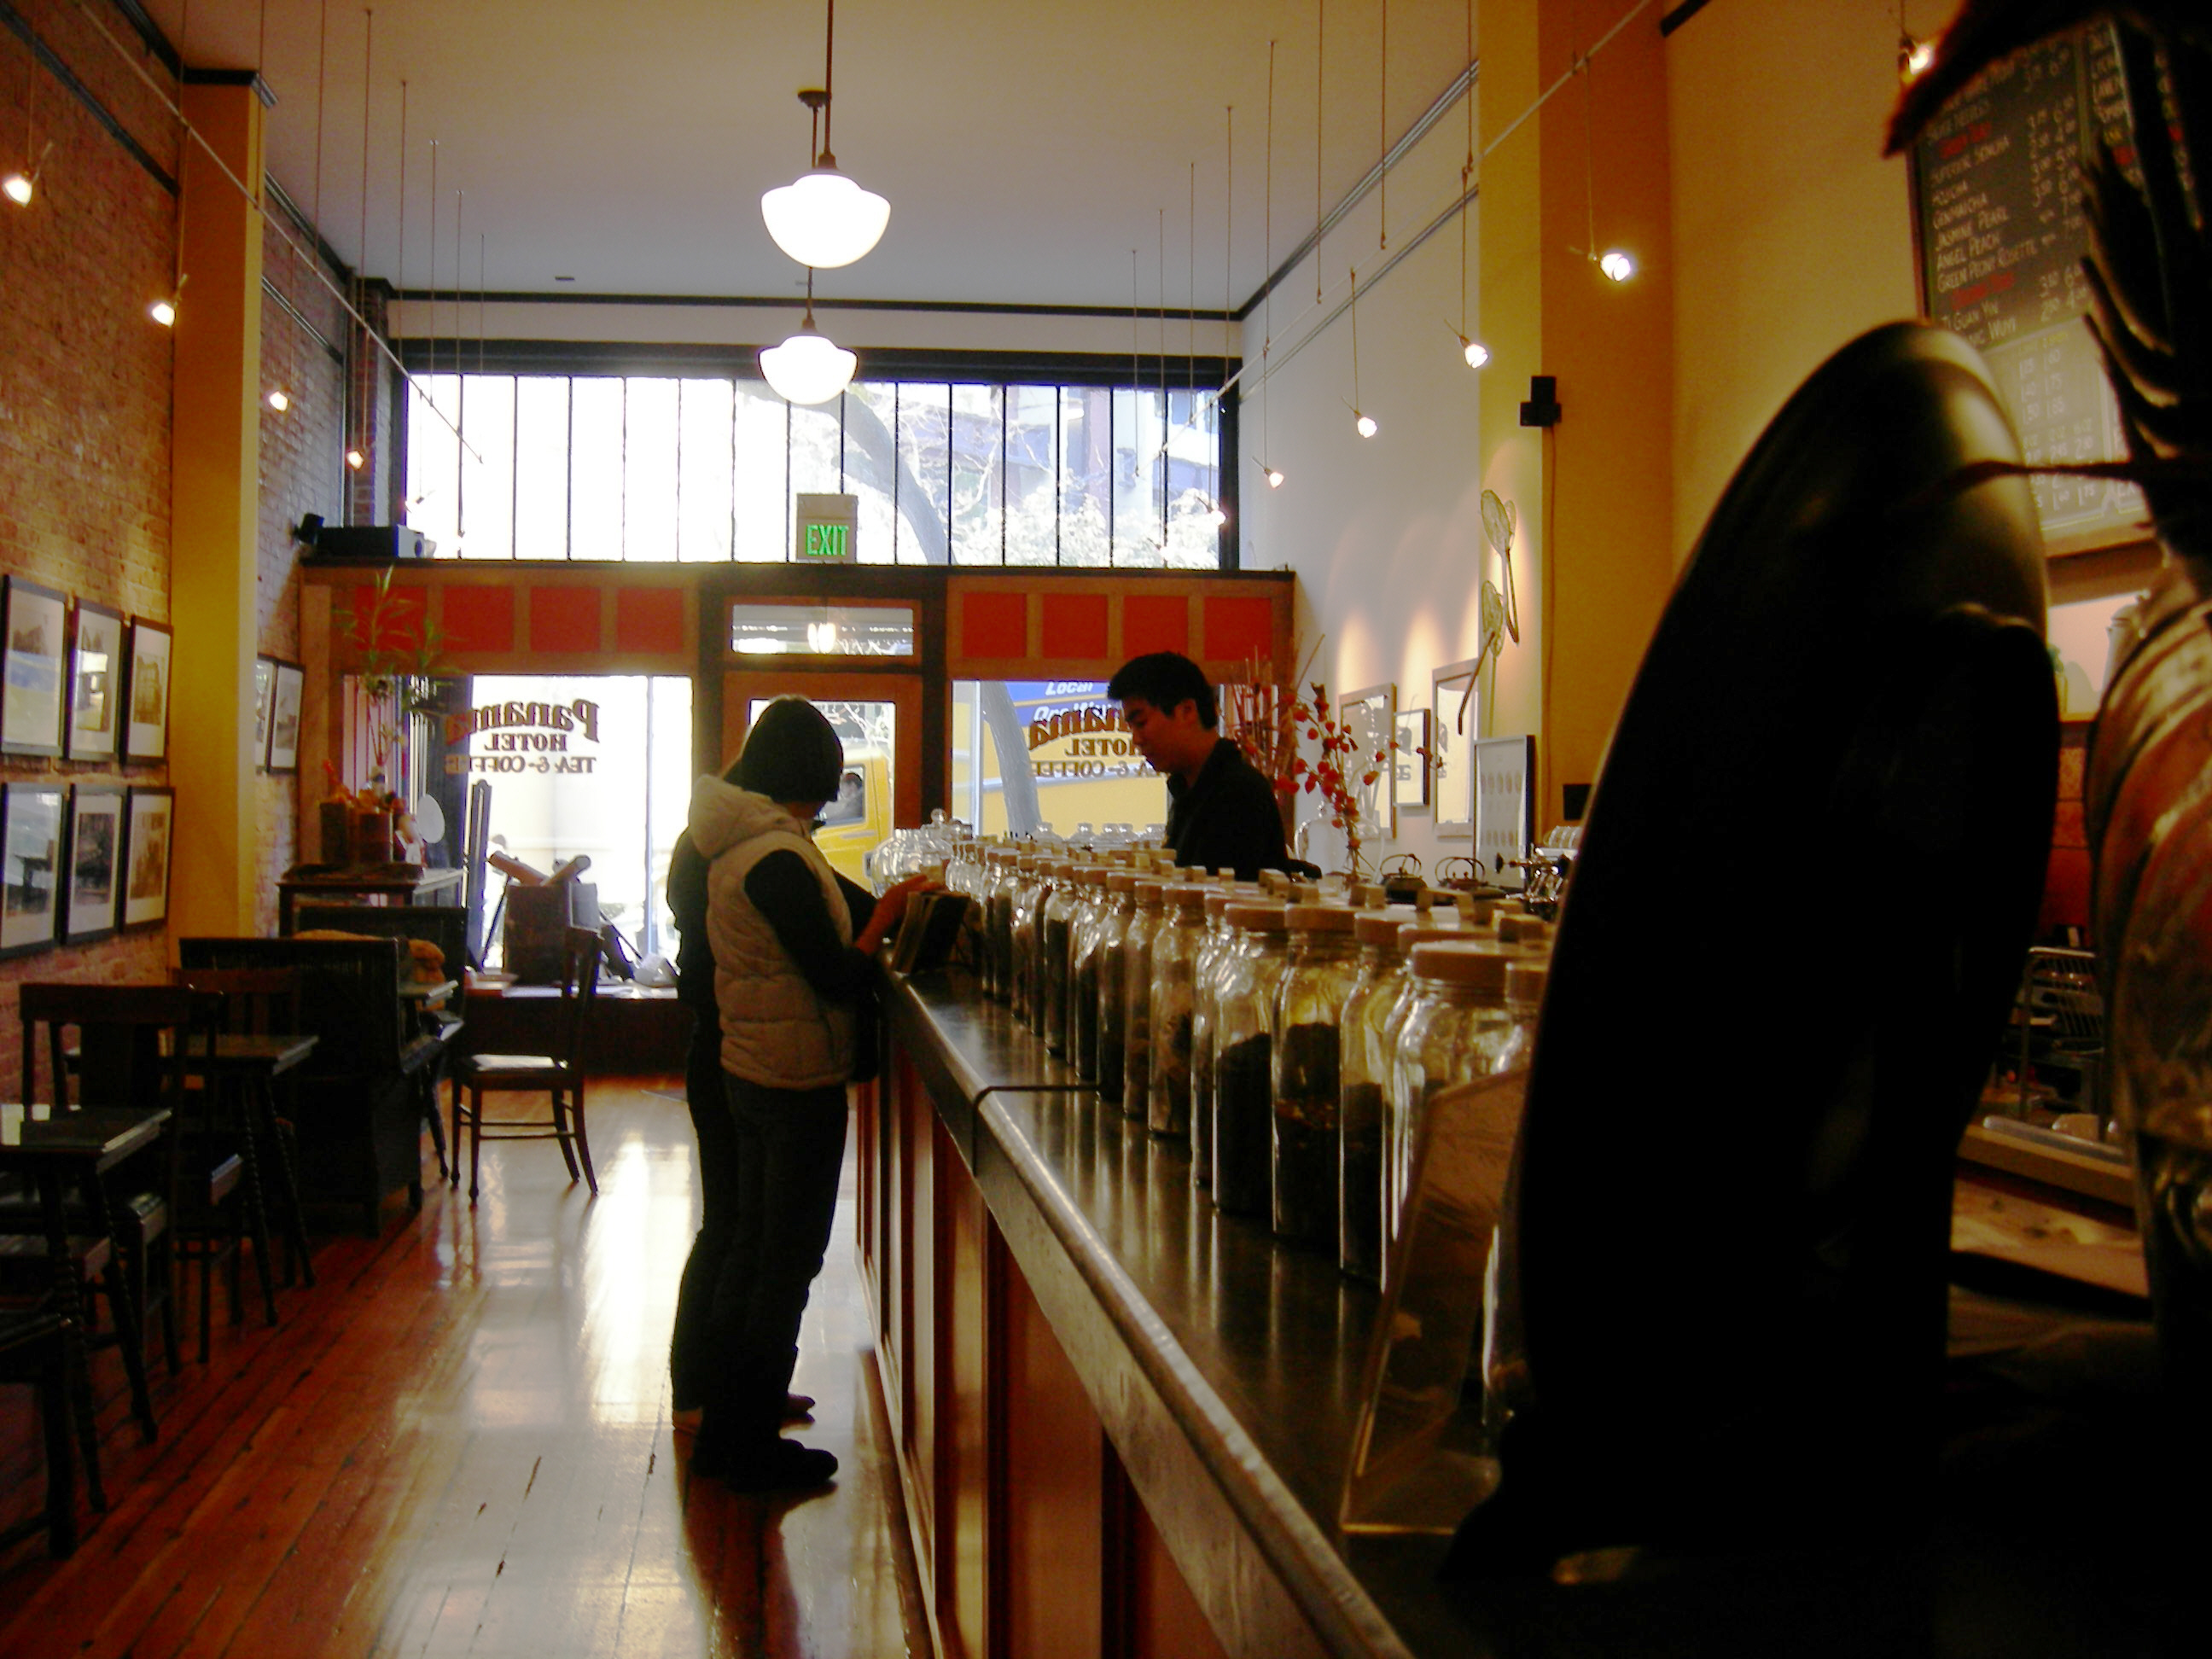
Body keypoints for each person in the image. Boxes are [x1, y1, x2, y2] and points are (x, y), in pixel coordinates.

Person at [684, 697, 928, 1489]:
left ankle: (729, 1421)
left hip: (750, 1067)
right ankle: (747, 1446)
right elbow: (832, 975)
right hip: (793, 1080)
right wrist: (888, 916)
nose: (821, 809)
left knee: (752, 1251)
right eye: (821, 793)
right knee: (782, 1263)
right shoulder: (777, 859)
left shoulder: (735, 844)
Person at [1108, 649, 1292, 880]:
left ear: (1187, 711)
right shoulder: (1188, 786)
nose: (1136, 739)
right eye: (1132, 727)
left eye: (1141, 723)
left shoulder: (1239, 792)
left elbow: (1218, 901)